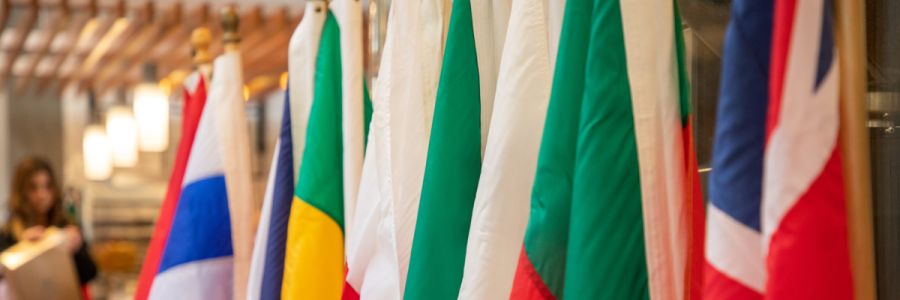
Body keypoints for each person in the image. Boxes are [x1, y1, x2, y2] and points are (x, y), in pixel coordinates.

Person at [0, 157, 97, 290]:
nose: (42, 194)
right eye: (33, 188)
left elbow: (90, 274)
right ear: (21, 191)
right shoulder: (8, 232)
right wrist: (22, 248)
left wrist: (78, 249)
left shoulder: (66, 226)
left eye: (47, 186)